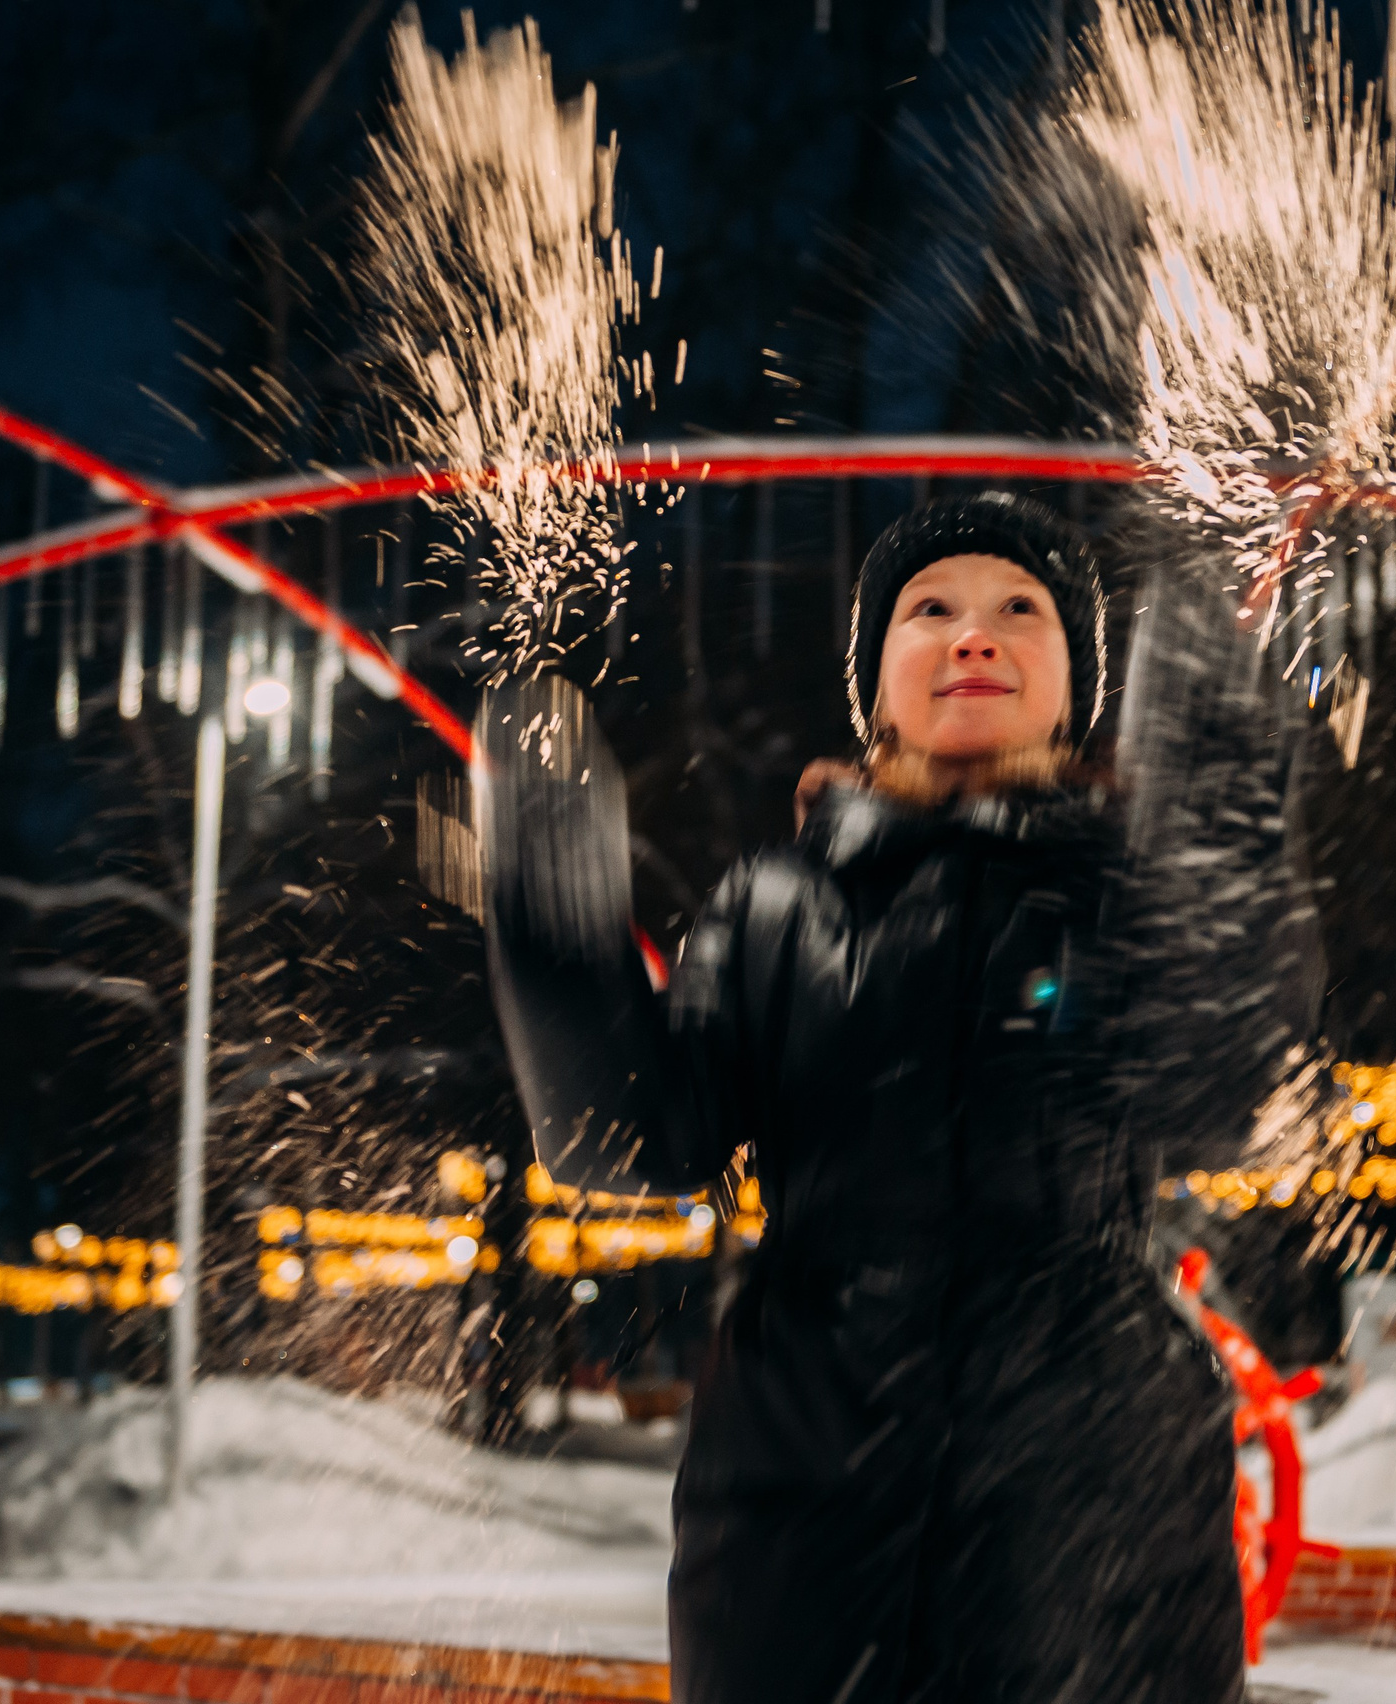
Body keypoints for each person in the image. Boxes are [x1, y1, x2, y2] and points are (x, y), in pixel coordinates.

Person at [475, 492, 1318, 1704]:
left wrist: (1224, 824)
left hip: (1092, 1510)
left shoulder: (1131, 897)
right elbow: (633, 1136)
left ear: (1073, 686)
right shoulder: (775, 903)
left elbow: (1223, 1085)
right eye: (930, 610)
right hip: (795, 1505)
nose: (973, 634)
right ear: (873, 689)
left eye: (1018, 611)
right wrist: (549, 916)